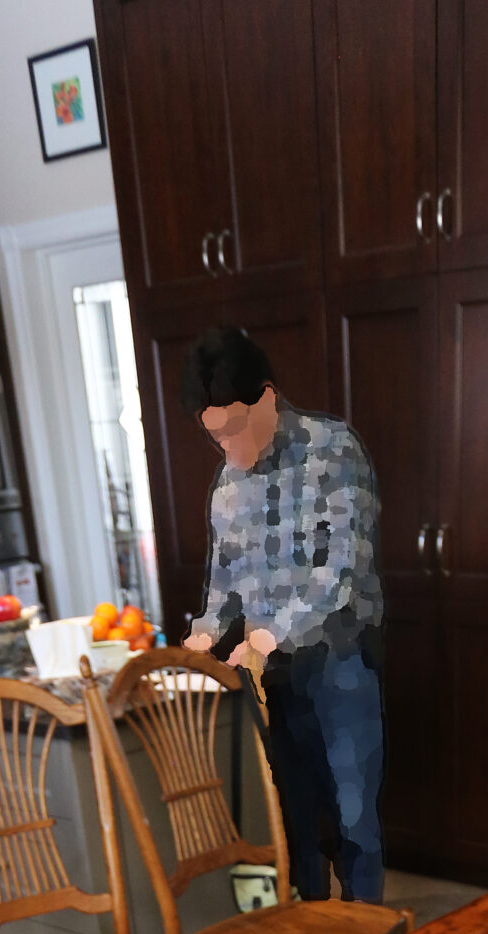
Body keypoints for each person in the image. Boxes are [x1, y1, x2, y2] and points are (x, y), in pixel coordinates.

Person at [180, 326, 386, 904]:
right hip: (270, 675)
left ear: (267, 398)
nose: (231, 450)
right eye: (217, 438)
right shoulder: (228, 487)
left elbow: (340, 573)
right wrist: (202, 639)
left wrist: (270, 634)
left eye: (236, 429)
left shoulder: (333, 451)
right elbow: (224, 589)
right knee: (294, 822)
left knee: (354, 819)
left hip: (341, 662)